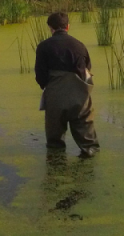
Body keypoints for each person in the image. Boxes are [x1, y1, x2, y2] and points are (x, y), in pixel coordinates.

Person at [34, 12, 100, 157]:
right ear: (68, 27)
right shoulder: (80, 46)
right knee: (90, 146)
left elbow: (40, 76)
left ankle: (57, 171)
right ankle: (88, 169)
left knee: (54, 145)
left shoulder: (43, 47)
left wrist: (50, 88)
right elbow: (87, 68)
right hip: (80, 98)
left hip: (55, 97)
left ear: (51, 28)